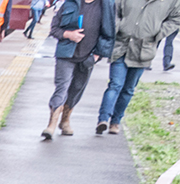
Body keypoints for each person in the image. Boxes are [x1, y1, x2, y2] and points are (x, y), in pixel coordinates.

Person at [97, 0, 180, 133]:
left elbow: (176, 18)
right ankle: (103, 119)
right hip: (121, 46)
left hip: (143, 49)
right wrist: (118, 27)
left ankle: (115, 122)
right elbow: (114, 10)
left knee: (129, 89)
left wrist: (159, 33)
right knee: (115, 84)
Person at [43, 0, 115, 138]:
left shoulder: (106, 5)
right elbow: (54, 29)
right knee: (61, 88)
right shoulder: (69, 3)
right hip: (66, 55)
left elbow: (109, 34)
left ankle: (65, 121)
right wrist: (69, 35)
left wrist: (96, 56)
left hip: (87, 57)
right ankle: (51, 124)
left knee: (77, 89)